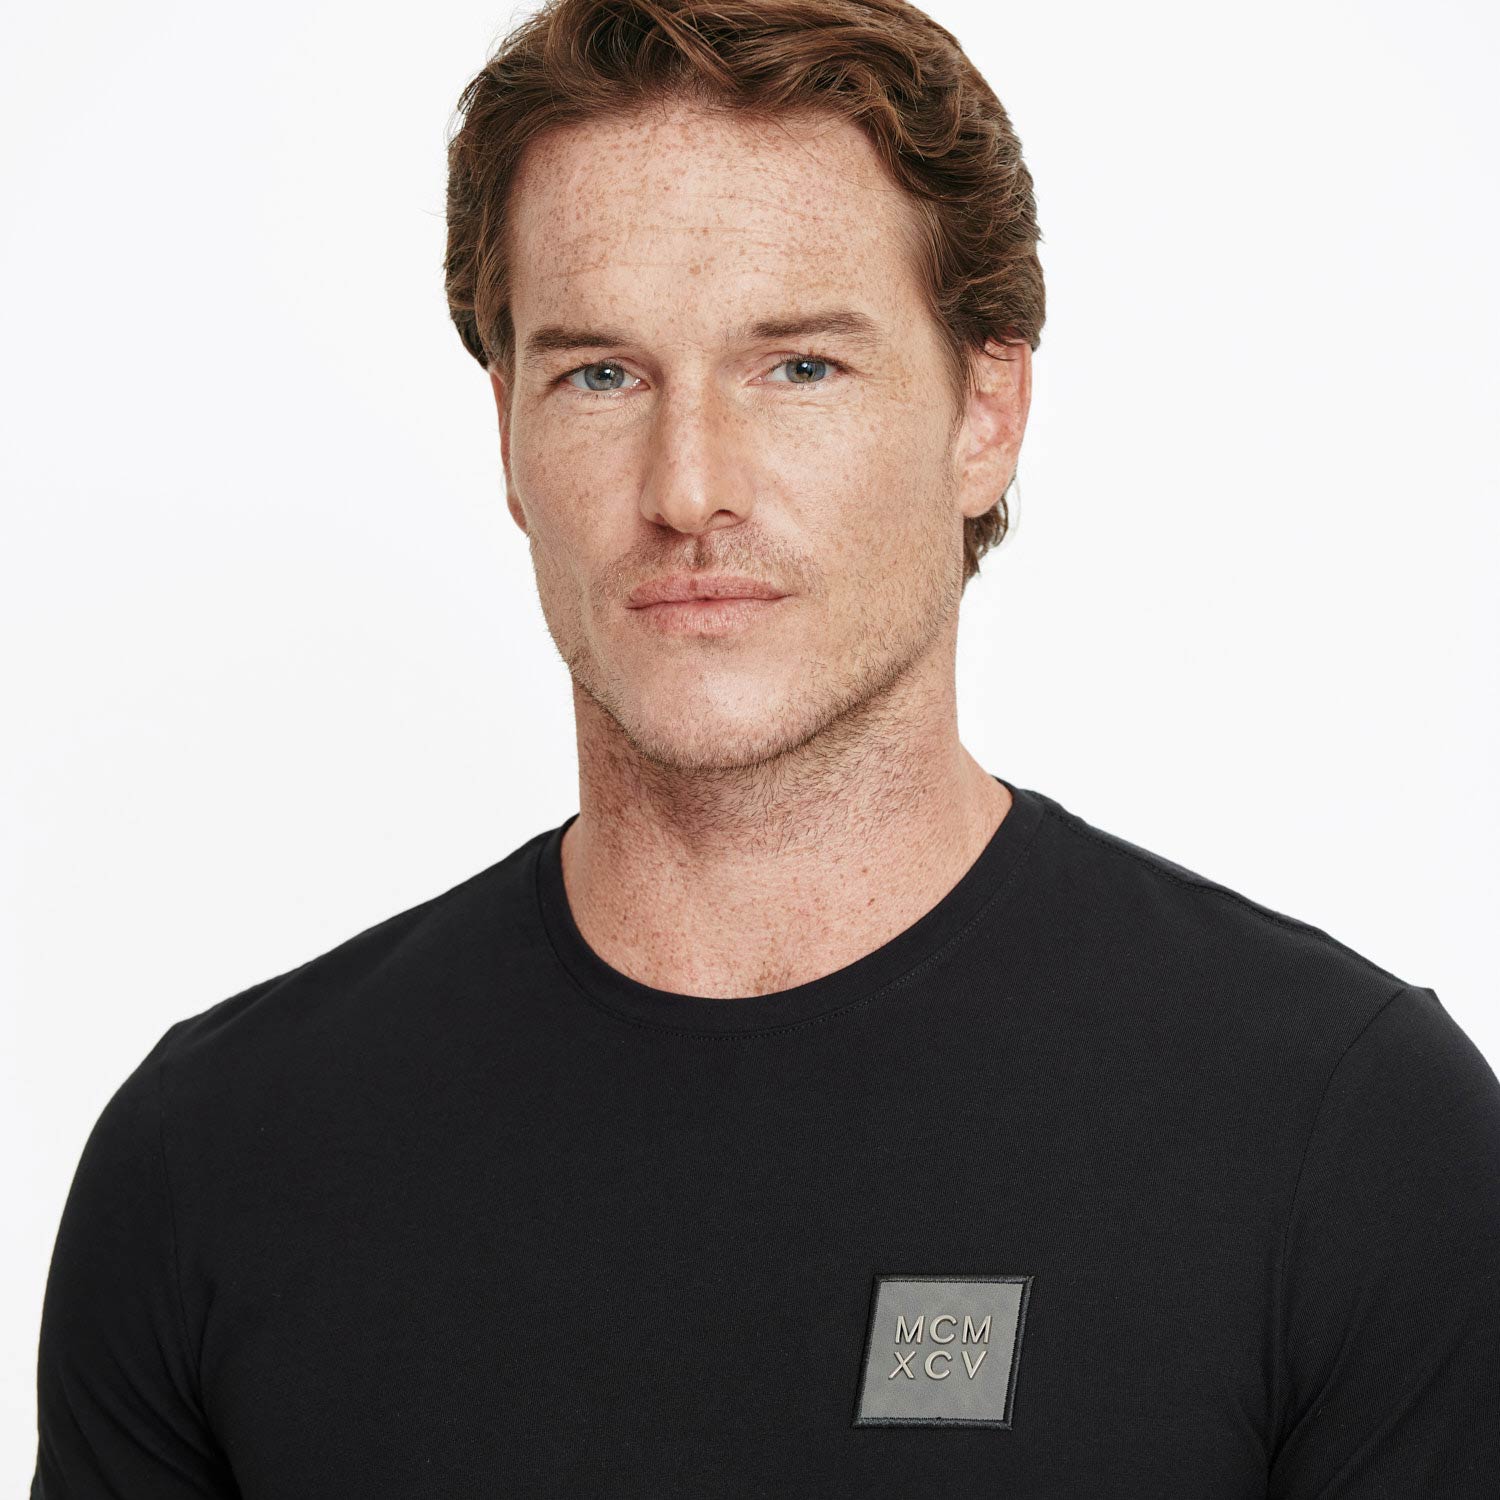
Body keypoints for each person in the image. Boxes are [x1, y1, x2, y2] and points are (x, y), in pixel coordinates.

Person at [29, 0, 1500, 1494]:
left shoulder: (1344, 1137)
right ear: (507, 432)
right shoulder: (215, 1161)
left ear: (986, 413)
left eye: (798, 367)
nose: (689, 488)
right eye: (601, 374)